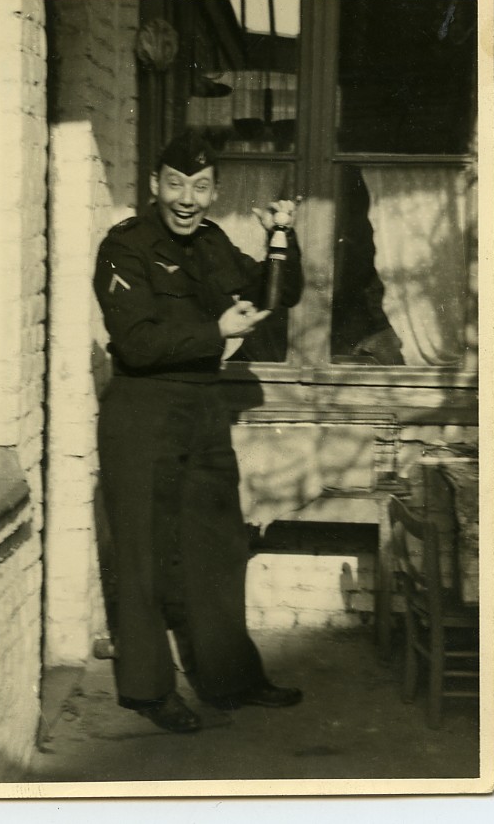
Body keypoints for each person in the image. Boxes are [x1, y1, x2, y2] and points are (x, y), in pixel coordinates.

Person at [93, 131, 304, 733]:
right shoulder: (124, 246)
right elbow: (137, 342)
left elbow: (279, 294)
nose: (187, 199)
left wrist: (280, 237)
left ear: (214, 194)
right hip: (143, 409)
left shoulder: (212, 242)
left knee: (218, 545)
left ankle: (231, 677)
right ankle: (147, 690)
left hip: (204, 409)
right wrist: (216, 332)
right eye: (176, 185)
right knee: (143, 557)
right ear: (155, 185)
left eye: (201, 187)